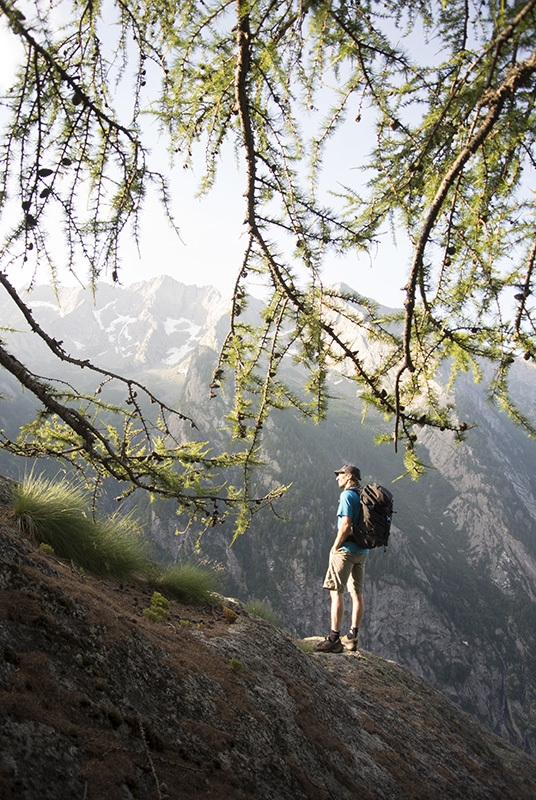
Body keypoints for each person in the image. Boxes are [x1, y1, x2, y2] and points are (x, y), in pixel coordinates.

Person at [314, 464, 368, 653]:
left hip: (345, 550)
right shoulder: (364, 496)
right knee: (357, 594)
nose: (337, 477)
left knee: (337, 592)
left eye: (340, 475)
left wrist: (335, 546)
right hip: (362, 551)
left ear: (350, 477)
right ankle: (352, 636)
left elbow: (345, 525)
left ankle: (334, 638)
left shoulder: (347, 495)